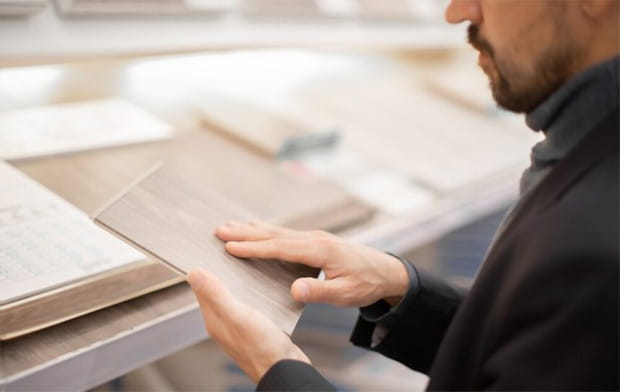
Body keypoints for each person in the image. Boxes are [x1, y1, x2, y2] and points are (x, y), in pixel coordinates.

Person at [186, 0, 620, 389]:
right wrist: (399, 288)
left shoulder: (595, 247)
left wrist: (276, 366)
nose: (458, 11)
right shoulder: (586, 151)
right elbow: (538, 353)